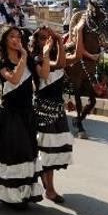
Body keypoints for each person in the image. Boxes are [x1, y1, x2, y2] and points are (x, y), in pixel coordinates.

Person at [0, 26, 43, 206]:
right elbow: (15, 79)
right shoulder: (2, 63)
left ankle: (23, 193)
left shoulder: (28, 59)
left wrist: (46, 53)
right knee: (13, 154)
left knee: (26, 153)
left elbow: (45, 74)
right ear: (5, 41)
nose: (16, 40)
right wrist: (24, 56)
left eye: (18, 36)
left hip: (27, 113)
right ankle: (9, 195)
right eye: (12, 37)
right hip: (10, 114)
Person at [31, 27, 72, 203]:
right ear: (36, 41)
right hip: (43, 109)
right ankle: (50, 189)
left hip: (57, 110)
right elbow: (54, 68)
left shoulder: (54, 55)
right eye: (42, 38)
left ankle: (49, 187)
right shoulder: (36, 59)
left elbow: (63, 62)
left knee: (53, 151)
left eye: (48, 38)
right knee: (44, 151)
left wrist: (60, 41)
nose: (46, 41)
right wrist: (47, 53)